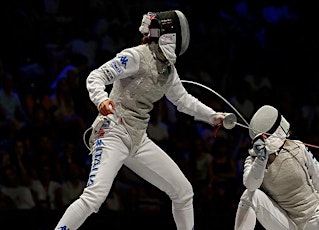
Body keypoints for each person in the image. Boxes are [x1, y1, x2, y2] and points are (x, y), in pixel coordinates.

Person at [54, 10, 228, 230]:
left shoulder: (168, 69)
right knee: (93, 197)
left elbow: (183, 101)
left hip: (138, 139)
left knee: (183, 192)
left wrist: (213, 116)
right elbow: (96, 76)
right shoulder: (136, 56)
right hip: (113, 131)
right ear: (168, 36)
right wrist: (101, 100)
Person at [234, 105, 319, 230]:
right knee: (250, 195)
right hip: (286, 224)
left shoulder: (297, 147)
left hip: (314, 216)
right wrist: (261, 159)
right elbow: (251, 185)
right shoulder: (253, 160)